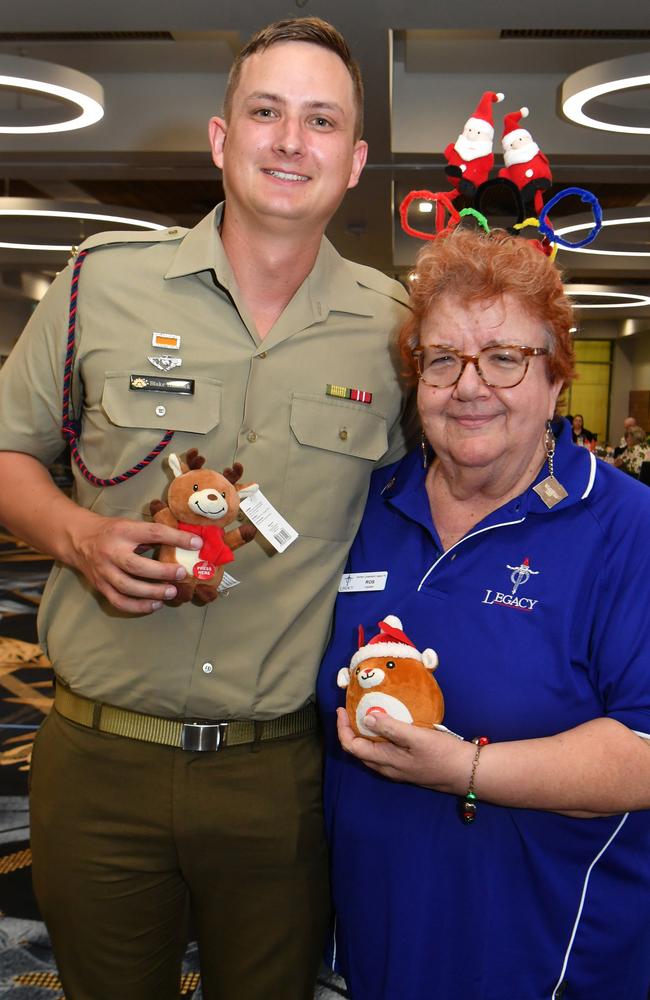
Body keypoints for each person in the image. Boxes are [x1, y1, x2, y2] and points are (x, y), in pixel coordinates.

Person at [0, 17, 413, 1000]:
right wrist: (77, 536)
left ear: (353, 161)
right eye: (264, 111)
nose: (288, 139)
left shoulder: (393, 329)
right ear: (222, 138)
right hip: (98, 758)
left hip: (280, 777)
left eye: (319, 121)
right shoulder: (101, 282)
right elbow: (9, 448)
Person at [317, 227, 650, 1000]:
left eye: (505, 358)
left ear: (556, 379)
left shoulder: (625, 526)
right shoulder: (372, 504)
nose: (469, 386)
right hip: (382, 927)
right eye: (443, 359)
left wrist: (466, 768)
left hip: (547, 944)